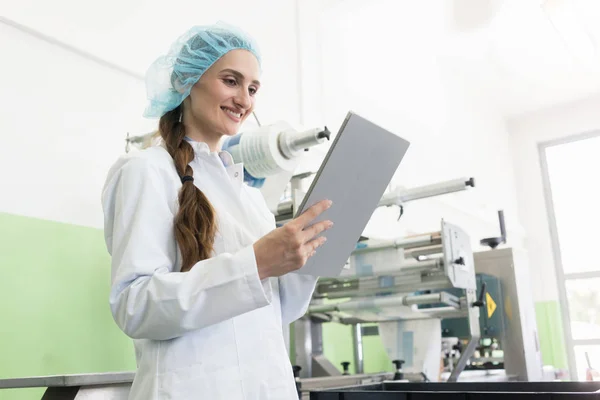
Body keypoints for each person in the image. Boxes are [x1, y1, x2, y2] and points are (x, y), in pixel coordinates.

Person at [101, 22, 332, 399]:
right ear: (187, 81)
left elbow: (272, 312)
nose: (245, 99)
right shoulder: (146, 171)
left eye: (253, 88)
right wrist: (254, 263)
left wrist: (307, 262)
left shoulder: (249, 197)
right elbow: (135, 305)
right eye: (231, 81)